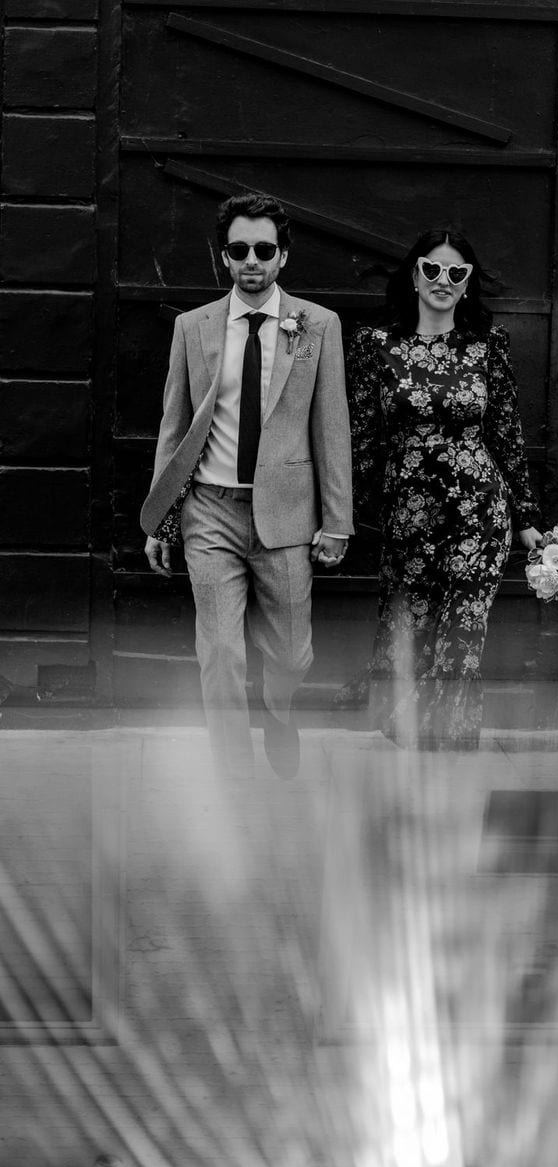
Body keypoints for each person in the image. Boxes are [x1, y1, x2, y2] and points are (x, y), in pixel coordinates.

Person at [141, 193, 353, 781]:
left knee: (291, 652)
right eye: (239, 250)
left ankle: (279, 708)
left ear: (283, 255)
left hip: (287, 514)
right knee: (219, 651)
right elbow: (174, 426)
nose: (251, 261)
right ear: (224, 257)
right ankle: (231, 771)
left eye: (264, 249)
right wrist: (161, 518)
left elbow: (331, 427)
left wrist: (337, 521)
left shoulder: (318, 325)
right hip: (210, 510)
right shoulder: (193, 327)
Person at [336, 228, 542, 750]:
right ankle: (410, 739)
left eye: (456, 272)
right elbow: (361, 438)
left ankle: (448, 751)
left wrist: (525, 516)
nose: (442, 280)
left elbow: (506, 432)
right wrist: (340, 514)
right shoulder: (375, 345)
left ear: (468, 283)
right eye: (432, 269)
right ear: (414, 276)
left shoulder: (487, 345)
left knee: (462, 632)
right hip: (409, 513)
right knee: (413, 627)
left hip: (479, 510)